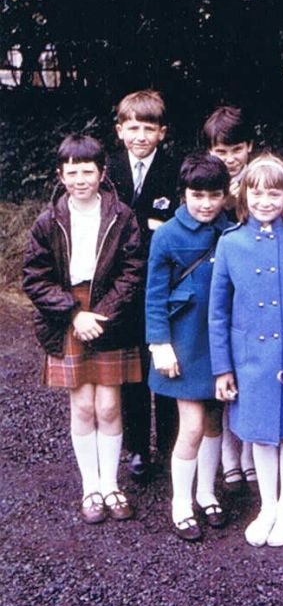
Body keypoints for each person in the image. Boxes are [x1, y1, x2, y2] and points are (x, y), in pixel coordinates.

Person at [23, 135, 145, 524]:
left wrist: (101, 315)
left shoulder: (122, 216)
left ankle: (111, 484)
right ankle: (90, 487)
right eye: (72, 172)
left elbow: (132, 272)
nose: (80, 179)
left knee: (108, 406)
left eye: (87, 172)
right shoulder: (49, 220)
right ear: (60, 174)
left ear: (102, 172)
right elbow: (35, 278)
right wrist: (74, 315)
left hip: (110, 315)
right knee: (82, 405)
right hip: (69, 314)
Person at [209, 155, 283, 548]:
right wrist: (223, 369)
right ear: (244, 194)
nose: (264, 201)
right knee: (258, 435)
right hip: (249, 360)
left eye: (274, 193)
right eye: (256, 192)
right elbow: (217, 313)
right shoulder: (231, 243)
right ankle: (267, 505)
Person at [145, 153, 233, 541]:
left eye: (215, 195)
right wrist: (159, 344)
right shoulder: (166, 235)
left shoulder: (230, 231)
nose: (206, 204)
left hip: (218, 341)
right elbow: (153, 295)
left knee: (215, 421)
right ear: (183, 194)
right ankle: (181, 502)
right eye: (198, 195)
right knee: (192, 426)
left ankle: (207, 491)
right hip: (182, 342)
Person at [106, 90, 179, 482]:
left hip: (163, 285)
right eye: (132, 127)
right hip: (120, 287)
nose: (140, 136)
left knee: (165, 367)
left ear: (161, 132)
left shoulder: (175, 170)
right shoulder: (106, 170)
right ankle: (137, 448)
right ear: (119, 130)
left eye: (148, 128)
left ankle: (170, 448)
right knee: (131, 372)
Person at [202, 105, 258, 493]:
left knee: (251, 376)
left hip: (254, 290)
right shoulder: (207, 188)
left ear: (249, 147)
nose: (230, 158)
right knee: (223, 377)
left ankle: (251, 457)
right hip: (217, 286)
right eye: (221, 151)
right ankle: (228, 459)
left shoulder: (260, 183)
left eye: (236, 149)